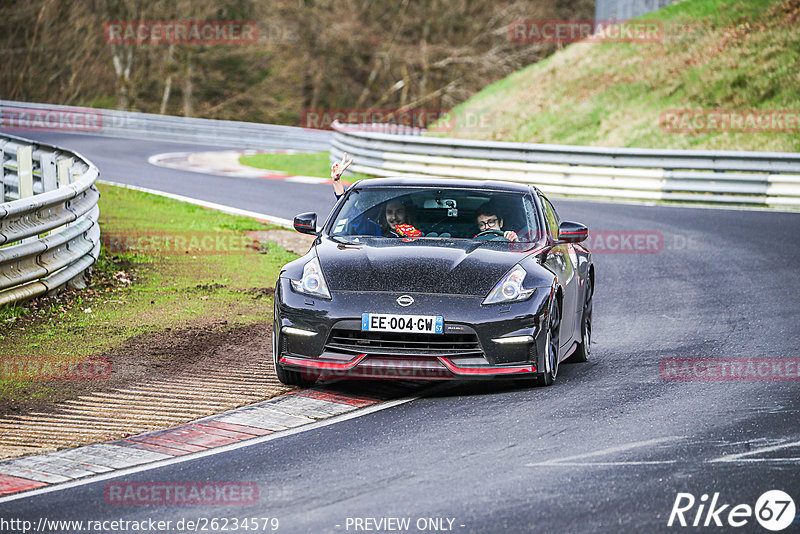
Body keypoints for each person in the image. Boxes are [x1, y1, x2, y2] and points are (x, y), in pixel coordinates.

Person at [330, 153, 420, 238]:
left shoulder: (424, 233)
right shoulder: (376, 232)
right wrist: (336, 181)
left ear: (406, 213)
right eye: (389, 212)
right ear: (384, 215)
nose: (394, 217)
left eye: (399, 212)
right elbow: (351, 212)